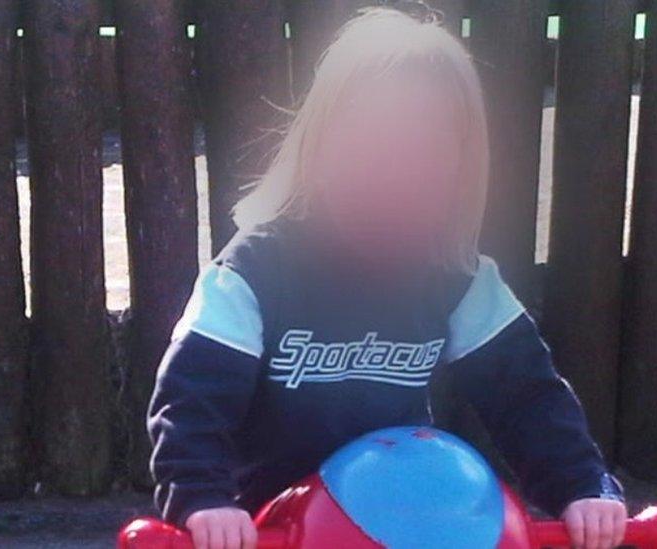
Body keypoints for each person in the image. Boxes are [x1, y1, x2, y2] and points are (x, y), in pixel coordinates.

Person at [149, 8, 626, 549]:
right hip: (276, 528)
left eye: (423, 158)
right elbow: (192, 399)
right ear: (319, 149)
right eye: (370, 150)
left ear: (458, 174)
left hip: (402, 520)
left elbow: (526, 395)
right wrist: (203, 499)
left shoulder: (454, 274)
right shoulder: (252, 274)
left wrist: (581, 486)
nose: (394, 178)